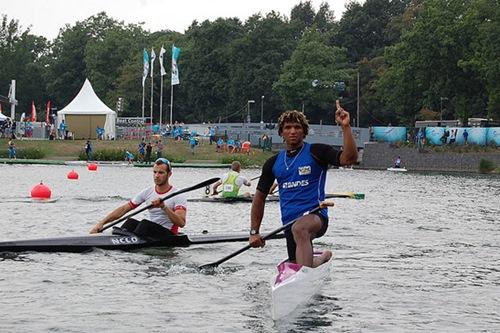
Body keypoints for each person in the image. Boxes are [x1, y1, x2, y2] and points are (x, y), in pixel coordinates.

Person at [249, 100, 358, 268]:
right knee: (298, 258)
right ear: (281, 132)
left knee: (300, 229)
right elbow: (259, 198)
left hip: (316, 216)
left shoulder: (317, 152)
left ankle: (304, 276)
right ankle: (322, 258)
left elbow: (349, 159)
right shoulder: (272, 163)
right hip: (288, 223)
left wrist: (345, 127)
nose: (293, 131)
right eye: (288, 128)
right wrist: (254, 232)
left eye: (297, 127)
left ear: (304, 132)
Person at [89, 158, 187, 238]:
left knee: (144, 224)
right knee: (130, 222)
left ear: (169, 174)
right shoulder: (148, 192)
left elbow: (181, 223)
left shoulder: (177, 195)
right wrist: (101, 223)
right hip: (151, 232)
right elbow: (124, 209)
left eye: (161, 173)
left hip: (169, 235)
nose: (156, 176)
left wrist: (164, 207)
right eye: (155, 172)